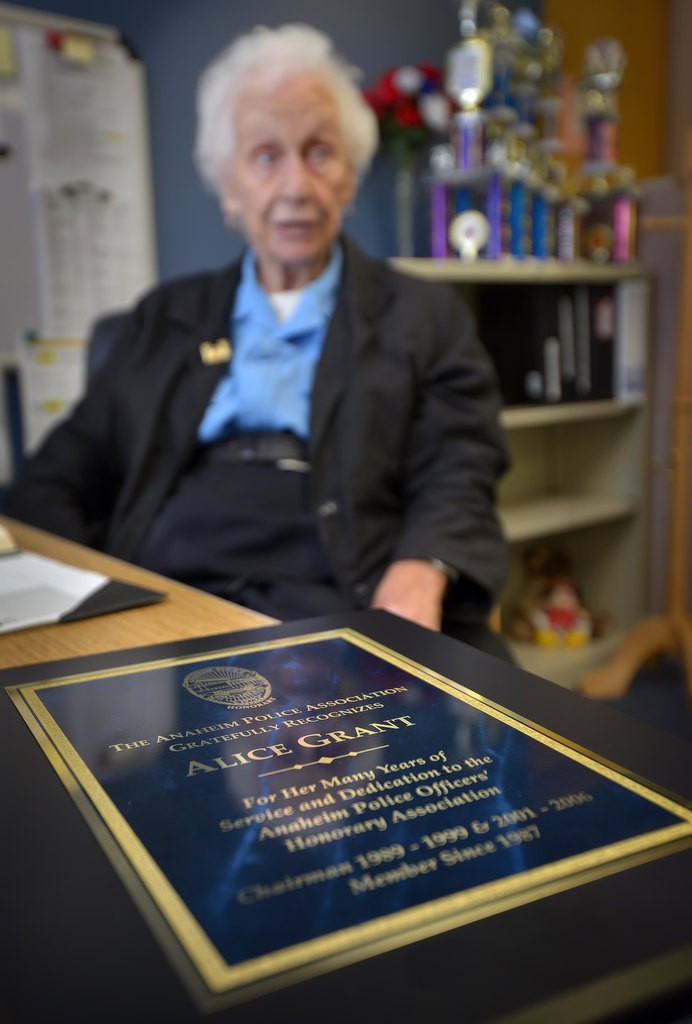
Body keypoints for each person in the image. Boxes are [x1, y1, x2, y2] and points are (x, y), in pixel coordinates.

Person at [5, 23, 512, 659]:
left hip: (346, 589)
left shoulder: (424, 314)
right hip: (171, 598)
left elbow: (460, 462)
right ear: (229, 185)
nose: (296, 186)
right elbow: (61, 472)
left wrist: (424, 564)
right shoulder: (162, 318)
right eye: (266, 156)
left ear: (350, 176)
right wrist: (77, 595)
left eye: (320, 151)